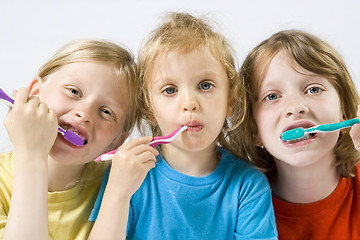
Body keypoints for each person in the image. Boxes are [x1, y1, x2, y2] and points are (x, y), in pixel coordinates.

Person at [88, 12, 278, 240]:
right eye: (170, 90)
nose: (189, 103)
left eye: (205, 85)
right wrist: (118, 192)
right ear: (149, 109)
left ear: (231, 101)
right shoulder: (127, 173)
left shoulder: (247, 186)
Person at [0, 39, 138, 239]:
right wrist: (32, 153)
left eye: (106, 112)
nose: (84, 114)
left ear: (116, 142)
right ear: (35, 93)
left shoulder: (121, 185)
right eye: (74, 92)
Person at [238, 29, 360, 239]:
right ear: (254, 130)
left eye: (313, 89)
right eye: (272, 96)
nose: (295, 107)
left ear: (345, 112)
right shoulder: (240, 208)